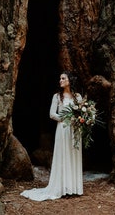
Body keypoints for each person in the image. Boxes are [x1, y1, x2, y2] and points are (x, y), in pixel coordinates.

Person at [20, 71, 83, 201]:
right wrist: (65, 118)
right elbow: (52, 114)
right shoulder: (57, 97)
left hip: (75, 130)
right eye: (60, 78)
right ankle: (62, 187)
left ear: (70, 80)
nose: (60, 80)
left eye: (63, 78)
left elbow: (81, 113)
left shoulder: (78, 97)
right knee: (63, 155)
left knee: (73, 154)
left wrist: (79, 119)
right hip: (63, 128)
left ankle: (73, 187)